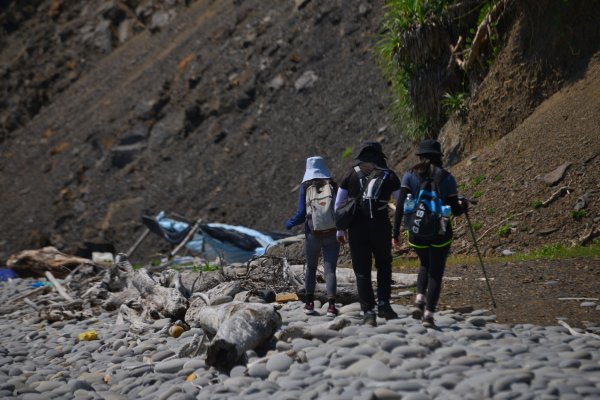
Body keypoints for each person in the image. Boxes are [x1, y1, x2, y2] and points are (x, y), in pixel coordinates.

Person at [392, 139, 468, 328]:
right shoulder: (447, 177)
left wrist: (395, 232)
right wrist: (464, 205)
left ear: (421, 156)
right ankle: (428, 314)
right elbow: (455, 210)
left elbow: (400, 205)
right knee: (435, 273)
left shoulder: (409, 175)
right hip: (441, 233)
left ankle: (419, 299)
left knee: (424, 264)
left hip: (417, 232)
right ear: (439, 156)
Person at [335, 140, 401, 326]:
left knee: (362, 270)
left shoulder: (351, 173)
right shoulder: (389, 175)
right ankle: (384, 305)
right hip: (381, 226)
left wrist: (340, 229)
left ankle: (368, 312)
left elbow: (338, 204)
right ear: (380, 156)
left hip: (357, 229)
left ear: (361, 155)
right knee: (384, 265)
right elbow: (401, 203)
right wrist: (398, 230)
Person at [286, 156, 340, 317]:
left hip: (313, 234)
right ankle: (331, 306)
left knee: (311, 267)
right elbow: (338, 210)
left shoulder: (305, 187)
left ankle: (309, 303)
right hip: (332, 232)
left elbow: (301, 214)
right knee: (330, 270)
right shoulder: (332, 185)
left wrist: (289, 223)